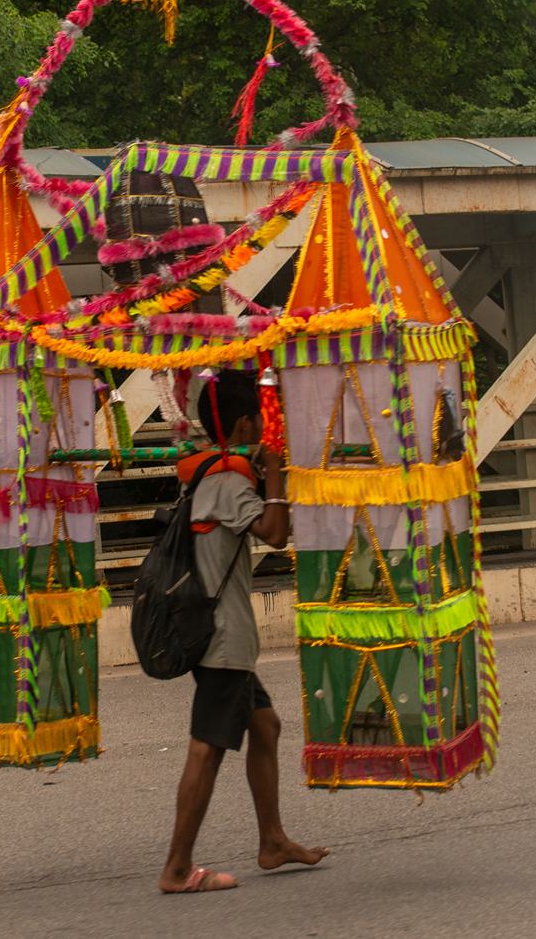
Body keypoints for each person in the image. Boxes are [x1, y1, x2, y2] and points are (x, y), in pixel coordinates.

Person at [158, 370, 331, 894]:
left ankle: (273, 841)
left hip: (222, 634)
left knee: (266, 726)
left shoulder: (208, 473)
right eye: (261, 416)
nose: (265, 424)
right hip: (222, 640)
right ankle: (177, 868)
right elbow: (277, 535)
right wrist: (275, 469)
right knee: (206, 750)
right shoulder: (228, 481)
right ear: (243, 422)